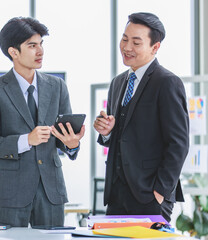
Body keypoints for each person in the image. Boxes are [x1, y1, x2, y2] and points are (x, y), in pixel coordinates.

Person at [0, 17, 85, 227]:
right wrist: (26, 140)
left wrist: (72, 145)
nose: (40, 51)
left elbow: (64, 138)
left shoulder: (57, 86)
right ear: (13, 52)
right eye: (32, 45)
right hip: (11, 194)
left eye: (41, 44)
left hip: (51, 192)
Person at [93, 12, 189, 222]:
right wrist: (107, 132)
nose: (127, 47)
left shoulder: (167, 82)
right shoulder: (118, 83)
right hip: (117, 195)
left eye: (136, 42)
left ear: (155, 47)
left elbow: (178, 143)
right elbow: (123, 134)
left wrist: (160, 192)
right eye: (125, 39)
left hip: (150, 196)